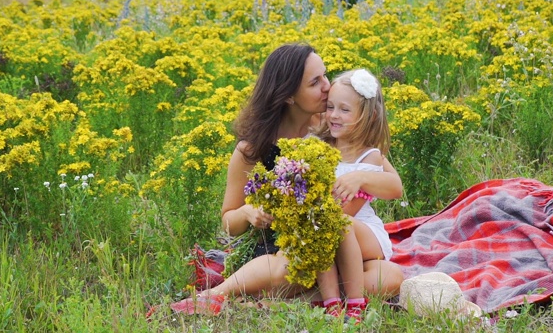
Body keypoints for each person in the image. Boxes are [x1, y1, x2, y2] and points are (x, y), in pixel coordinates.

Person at [168, 43, 404, 316]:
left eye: (325, 75)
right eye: (316, 82)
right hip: (285, 248)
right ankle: (213, 296)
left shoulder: (332, 127)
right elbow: (228, 223)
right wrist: (247, 212)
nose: (328, 86)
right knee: (292, 268)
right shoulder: (254, 149)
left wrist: (360, 177)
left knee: (390, 276)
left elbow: (388, 179)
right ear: (290, 96)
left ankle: (293, 301)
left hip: (332, 242)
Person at [314, 68, 394, 322]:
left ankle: (356, 304)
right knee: (322, 228)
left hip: (364, 233)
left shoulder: (369, 156)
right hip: (329, 224)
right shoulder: (322, 148)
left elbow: (349, 210)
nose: (334, 115)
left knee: (336, 224)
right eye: (330, 107)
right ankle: (331, 304)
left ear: (366, 117)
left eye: (344, 110)